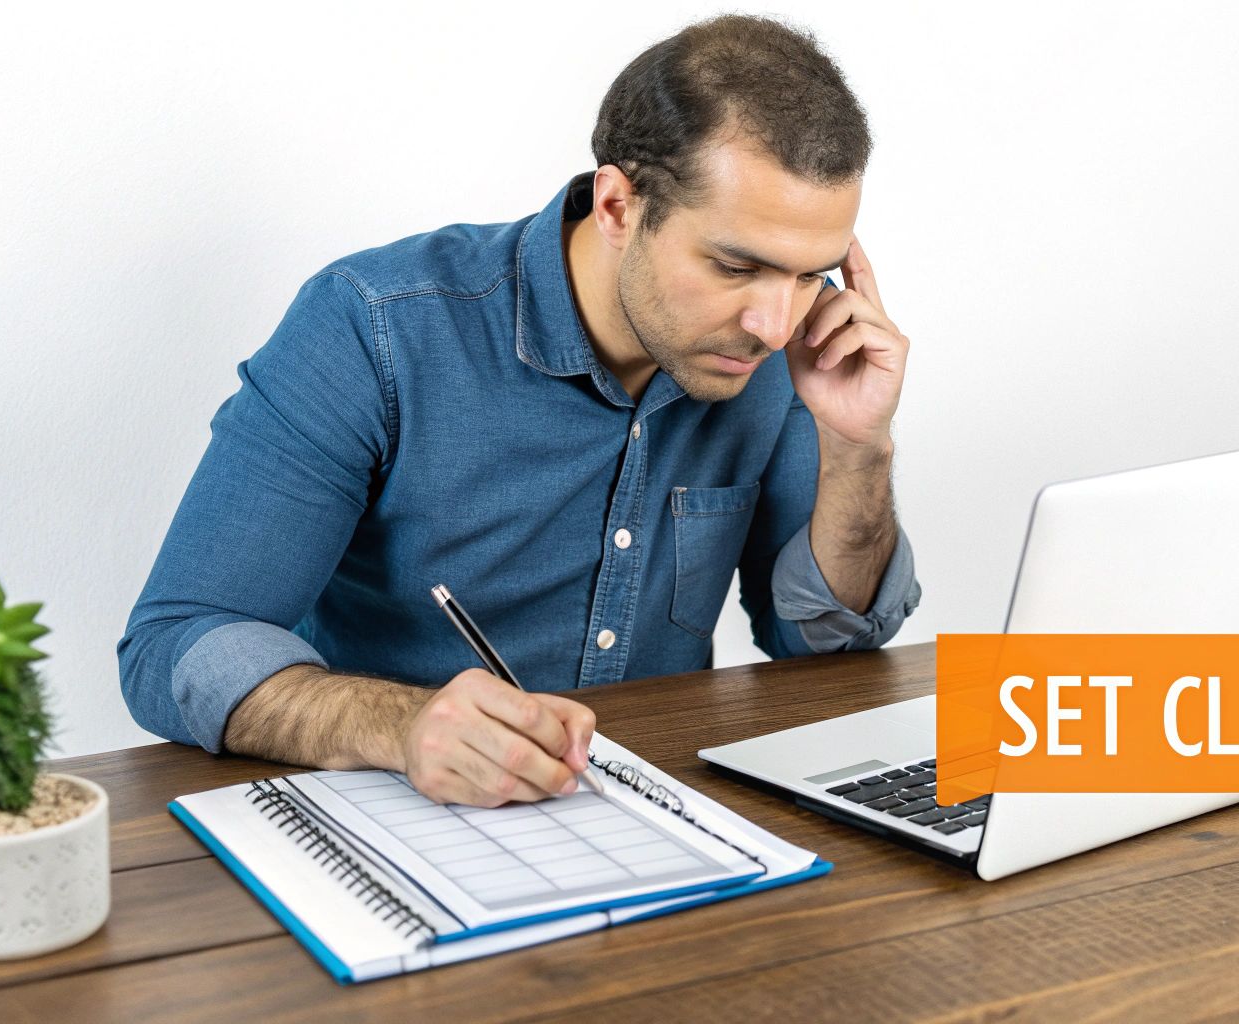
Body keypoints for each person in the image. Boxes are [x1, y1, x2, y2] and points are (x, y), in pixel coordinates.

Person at [117, 14, 920, 808]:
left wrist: (859, 446)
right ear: (618, 206)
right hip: (400, 815)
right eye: (736, 266)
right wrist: (401, 725)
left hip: (662, 813)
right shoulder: (375, 327)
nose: (774, 325)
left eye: (810, 274)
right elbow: (175, 642)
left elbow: (817, 643)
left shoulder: (781, 352)